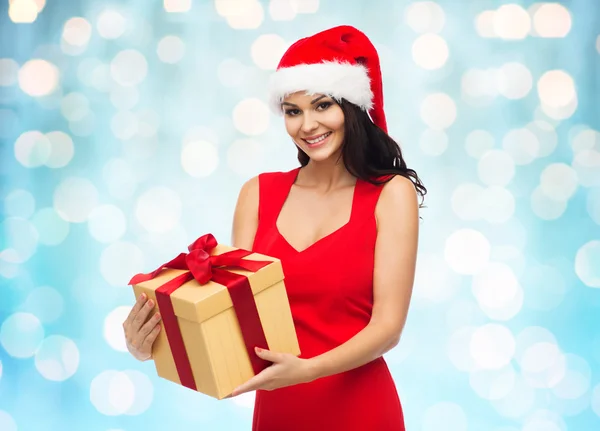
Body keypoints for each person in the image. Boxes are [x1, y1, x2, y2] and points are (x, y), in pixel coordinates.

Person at [123, 25, 426, 430]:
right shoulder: (258, 193)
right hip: (279, 414)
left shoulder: (391, 193)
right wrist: (154, 344)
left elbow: (387, 329)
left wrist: (307, 370)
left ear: (351, 107)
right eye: (293, 111)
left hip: (362, 410)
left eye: (322, 106)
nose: (307, 125)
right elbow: (229, 319)